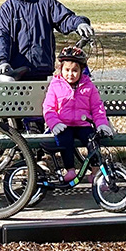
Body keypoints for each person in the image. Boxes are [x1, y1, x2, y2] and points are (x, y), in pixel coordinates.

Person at [0, 0, 94, 82]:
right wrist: (2, 62)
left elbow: (65, 19)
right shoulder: (7, 8)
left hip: (43, 70)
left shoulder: (46, 3)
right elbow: (1, 37)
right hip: (16, 72)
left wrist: (79, 23)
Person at [42, 45, 115, 183]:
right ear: (61, 69)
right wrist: (54, 123)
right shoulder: (55, 85)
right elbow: (48, 107)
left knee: (92, 141)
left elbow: (97, 107)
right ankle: (70, 170)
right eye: (67, 70)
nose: (71, 74)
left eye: (75, 71)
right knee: (65, 141)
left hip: (83, 124)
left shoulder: (88, 86)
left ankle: (95, 172)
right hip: (64, 124)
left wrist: (102, 124)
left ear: (81, 70)